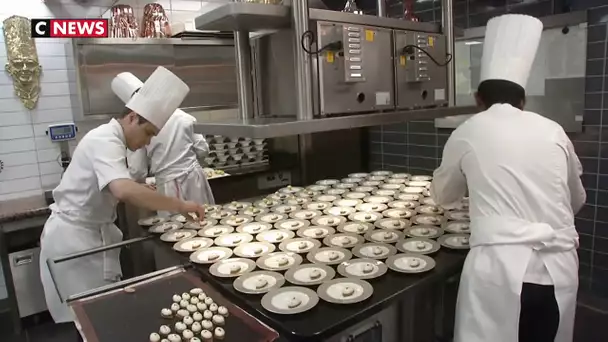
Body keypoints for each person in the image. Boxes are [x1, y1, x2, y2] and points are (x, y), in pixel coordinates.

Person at [430, 14, 586, 342]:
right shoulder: (553, 130)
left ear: (478, 100)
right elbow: (576, 201)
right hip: (558, 269)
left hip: (497, 271)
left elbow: (442, 195)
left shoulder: (468, 130)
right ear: (523, 100)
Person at [39, 66, 206, 324]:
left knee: (98, 316)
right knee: (89, 320)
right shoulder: (104, 139)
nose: (148, 142)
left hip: (90, 236)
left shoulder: (114, 139)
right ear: (132, 117)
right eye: (149, 133)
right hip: (74, 242)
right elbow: (122, 189)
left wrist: (141, 189)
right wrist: (181, 204)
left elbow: (120, 185)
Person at [111, 72, 215, 217]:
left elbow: (138, 170)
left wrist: (140, 182)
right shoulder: (184, 117)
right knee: (205, 220)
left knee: (176, 230)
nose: (148, 140)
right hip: (194, 178)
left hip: (167, 185)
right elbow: (203, 150)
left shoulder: (140, 125)